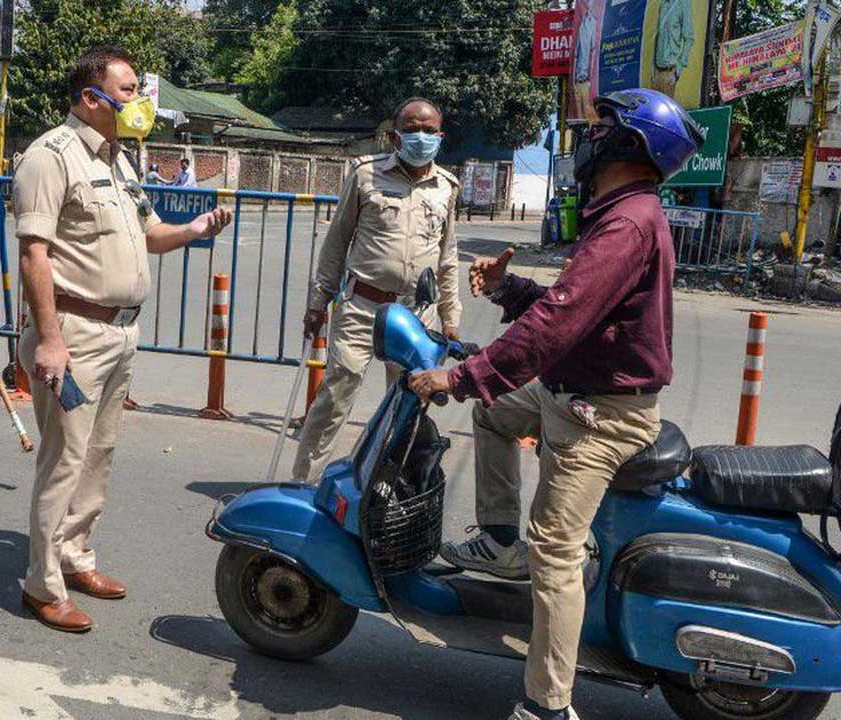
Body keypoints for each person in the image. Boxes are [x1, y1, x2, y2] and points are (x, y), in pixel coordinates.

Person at [407, 89, 704, 720]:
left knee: (555, 549)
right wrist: (510, 289)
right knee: (493, 412)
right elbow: (579, 310)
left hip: (600, 414)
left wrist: (462, 377)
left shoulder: (626, 223)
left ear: (630, 144)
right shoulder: (621, 213)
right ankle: (496, 538)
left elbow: (558, 324)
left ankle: (548, 705)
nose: (586, 141)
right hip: (571, 391)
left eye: (599, 130)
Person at [13, 46, 232, 632]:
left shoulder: (120, 161)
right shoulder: (49, 157)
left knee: (99, 456)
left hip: (119, 333)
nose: (141, 102)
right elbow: (33, 253)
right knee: (64, 459)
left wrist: (196, 228)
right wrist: (49, 342)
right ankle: (42, 583)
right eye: (131, 90)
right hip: (73, 332)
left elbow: (150, 232)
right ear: (92, 98)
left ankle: (76, 555)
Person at [292, 96, 461, 483]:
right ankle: (304, 483)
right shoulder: (365, 174)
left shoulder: (446, 187)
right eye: (412, 129)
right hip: (363, 305)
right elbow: (337, 241)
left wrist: (452, 318)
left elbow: (447, 255)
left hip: (416, 313)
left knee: (406, 402)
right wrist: (318, 302)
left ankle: (382, 486)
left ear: (441, 136)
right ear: (395, 136)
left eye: (429, 130)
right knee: (336, 395)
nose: (421, 137)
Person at [652, 0, 694, 98]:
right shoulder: (663, 4)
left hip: (669, 72)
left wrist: (679, 66)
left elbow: (689, 38)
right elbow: (658, 37)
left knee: (666, 111)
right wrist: (653, 69)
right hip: (657, 72)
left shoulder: (683, 3)